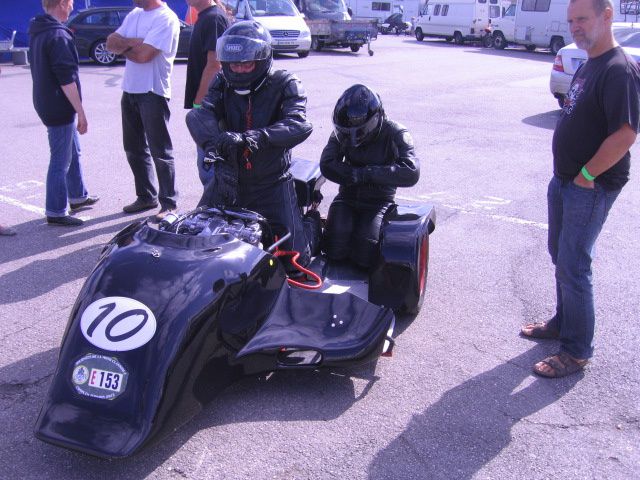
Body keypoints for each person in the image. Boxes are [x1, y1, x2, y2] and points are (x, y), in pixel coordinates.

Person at [521, 0, 640, 378]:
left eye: (582, 19)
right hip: (567, 180)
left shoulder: (619, 69)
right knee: (560, 254)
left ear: (607, 16)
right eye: (571, 20)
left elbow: (626, 134)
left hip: (590, 185)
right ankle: (562, 323)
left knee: (575, 263)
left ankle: (576, 351)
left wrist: (587, 174)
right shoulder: (590, 63)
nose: (575, 27)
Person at [186, 20, 317, 267]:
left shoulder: (286, 82)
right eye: (234, 64)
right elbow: (199, 114)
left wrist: (252, 138)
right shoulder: (221, 80)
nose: (239, 70)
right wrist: (215, 143)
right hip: (226, 181)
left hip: (271, 183)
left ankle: (311, 223)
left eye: (246, 64)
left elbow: (299, 124)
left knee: (297, 261)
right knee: (193, 243)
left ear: (262, 59)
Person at [319, 84, 420, 268]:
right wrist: (353, 176)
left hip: (379, 202)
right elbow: (327, 163)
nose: (352, 136)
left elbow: (411, 171)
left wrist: (366, 174)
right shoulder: (343, 132)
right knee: (334, 245)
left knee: (365, 251)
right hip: (347, 198)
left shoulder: (396, 132)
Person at [106, 0, 180, 222]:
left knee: (160, 151)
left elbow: (144, 56)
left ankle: (169, 204)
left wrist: (127, 46)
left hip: (153, 91)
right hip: (130, 90)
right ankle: (146, 196)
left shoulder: (166, 18)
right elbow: (110, 42)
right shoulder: (135, 14)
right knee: (133, 148)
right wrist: (135, 44)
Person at [28, 0, 99, 227]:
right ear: (60, 4)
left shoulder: (40, 30)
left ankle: (78, 196)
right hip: (58, 105)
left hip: (46, 100)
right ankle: (56, 211)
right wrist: (81, 112)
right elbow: (67, 79)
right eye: (70, 3)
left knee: (72, 150)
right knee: (61, 159)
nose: (72, 7)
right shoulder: (58, 35)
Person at [184, 0, 229, 186]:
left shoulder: (214, 18)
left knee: (210, 165)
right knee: (207, 165)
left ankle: (216, 208)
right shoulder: (206, 17)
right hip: (209, 106)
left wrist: (199, 104)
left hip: (211, 106)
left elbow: (214, 64)